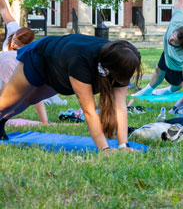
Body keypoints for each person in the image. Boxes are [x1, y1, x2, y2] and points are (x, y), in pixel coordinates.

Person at [0, 35, 142, 152]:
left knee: (29, 100)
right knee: (7, 103)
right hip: (40, 56)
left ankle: (1, 122)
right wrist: (104, 149)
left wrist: (124, 146)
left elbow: (120, 106)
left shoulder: (122, 63)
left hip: (60, 68)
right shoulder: (81, 61)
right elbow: (89, 111)